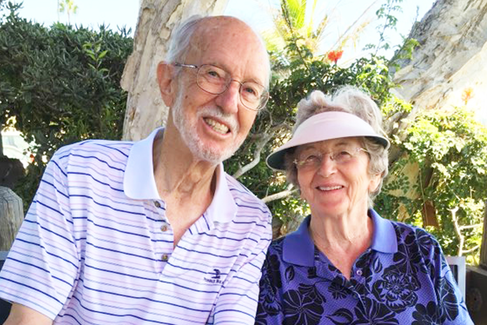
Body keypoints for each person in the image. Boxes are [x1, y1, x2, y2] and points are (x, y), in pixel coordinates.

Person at [0, 15, 273, 324]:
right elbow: (28, 319)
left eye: (249, 90)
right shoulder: (78, 174)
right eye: (213, 73)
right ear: (168, 82)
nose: (229, 102)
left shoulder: (250, 220)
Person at [255, 87, 474, 324]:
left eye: (343, 153)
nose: (326, 169)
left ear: (375, 173)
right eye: (310, 157)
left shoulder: (420, 249)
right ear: (297, 176)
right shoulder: (272, 266)